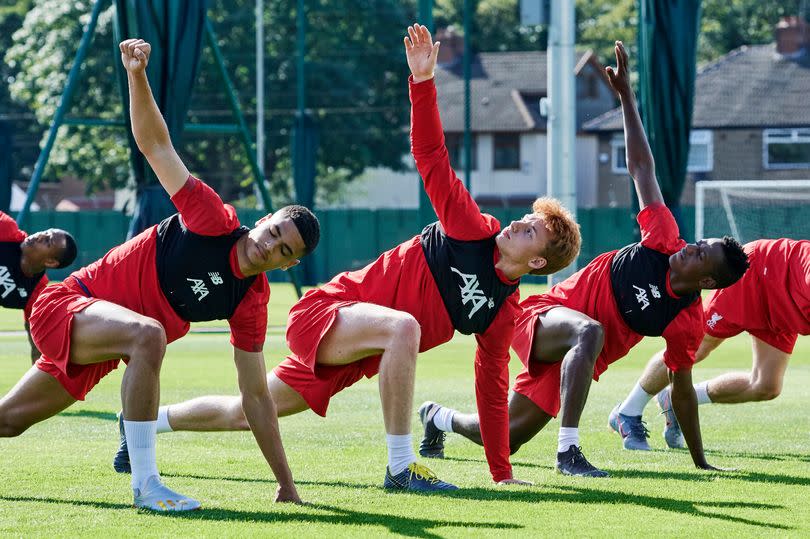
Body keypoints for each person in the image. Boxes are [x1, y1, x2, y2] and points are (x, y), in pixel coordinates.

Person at [112, 24, 581, 491]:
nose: (520, 223)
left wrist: (502, 475)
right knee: (404, 327)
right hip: (327, 313)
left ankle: (141, 423)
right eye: (527, 218)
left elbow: (493, 390)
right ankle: (401, 467)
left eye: (532, 230)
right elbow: (431, 155)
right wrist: (422, 82)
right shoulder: (471, 228)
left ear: (537, 263)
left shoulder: (501, 310)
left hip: (357, 354)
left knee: (248, 412)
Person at [0, 39, 320, 511]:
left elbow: (255, 396)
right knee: (150, 335)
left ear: (289, 264)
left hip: (104, 345)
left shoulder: (250, 300)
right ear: (265, 218)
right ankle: (147, 486)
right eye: (273, 231)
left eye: (283, 249)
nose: (269, 245)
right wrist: (136, 74)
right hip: (67, 305)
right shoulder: (213, 218)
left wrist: (287, 484)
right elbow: (155, 144)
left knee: (8, 422)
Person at [417, 41, 750, 478]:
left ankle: (435, 417)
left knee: (504, 436)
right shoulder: (664, 237)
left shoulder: (685, 321)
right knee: (589, 329)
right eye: (698, 243)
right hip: (541, 317)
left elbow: (682, 389)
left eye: (700, 253)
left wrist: (700, 461)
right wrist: (627, 97)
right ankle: (568, 453)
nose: (690, 247)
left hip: (575, 356)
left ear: (706, 281)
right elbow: (641, 171)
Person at [614, 238, 808, 450]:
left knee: (766, 385)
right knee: (695, 345)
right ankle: (628, 411)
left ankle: (675, 398)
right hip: (759, 273)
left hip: (784, 308)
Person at [0, 211, 77, 362]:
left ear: (50, 262)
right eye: (45, 232)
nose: (39, 235)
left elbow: (39, 350)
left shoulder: (36, 293)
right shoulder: (6, 230)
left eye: (47, 242)